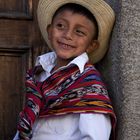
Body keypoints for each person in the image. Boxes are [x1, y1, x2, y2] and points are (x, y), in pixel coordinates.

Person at [13, 0, 116, 139]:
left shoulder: (89, 85)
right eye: (61, 26)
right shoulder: (39, 76)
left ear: (91, 45)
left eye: (79, 32)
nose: (67, 35)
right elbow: (26, 125)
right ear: (50, 31)